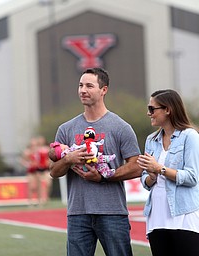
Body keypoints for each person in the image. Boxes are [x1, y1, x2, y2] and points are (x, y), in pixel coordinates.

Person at [49, 67, 142, 256]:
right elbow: (54, 171)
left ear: (104, 90)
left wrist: (104, 177)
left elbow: (137, 166)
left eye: (89, 86)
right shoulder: (66, 128)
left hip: (113, 213)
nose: (83, 90)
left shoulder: (121, 127)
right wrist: (68, 159)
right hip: (78, 213)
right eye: (80, 85)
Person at [137, 89, 199, 256]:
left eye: (152, 109)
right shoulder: (151, 140)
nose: (148, 113)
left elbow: (192, 177)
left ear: (168, 109)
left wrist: (160, 169)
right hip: (156, 216)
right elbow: (146, 181)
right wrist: (151, 175)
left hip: (184, 215)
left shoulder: (190, 136)